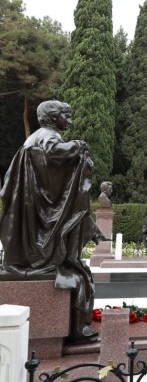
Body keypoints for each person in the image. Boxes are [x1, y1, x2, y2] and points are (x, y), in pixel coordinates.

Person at [0, 100, 108, 343]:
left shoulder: (36, 137)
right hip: (38, 213)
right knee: (76, 269)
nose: (68, 121)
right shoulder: (47, 136)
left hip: (32, 211)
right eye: (65, 116)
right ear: (52, 117)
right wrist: (78, 146)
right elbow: (55, 151)